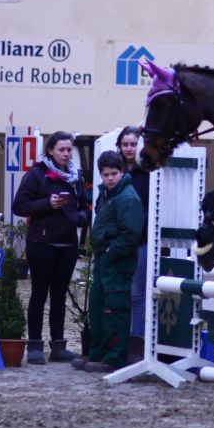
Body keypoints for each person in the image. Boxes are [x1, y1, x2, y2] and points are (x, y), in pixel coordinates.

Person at [12, 131, 89, 364]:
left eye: (68, 150)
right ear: (50, 151)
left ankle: (58, 346)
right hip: (42, 243)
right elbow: (19, 206)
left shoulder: (76, 176)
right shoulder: (37, 174)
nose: (66, 154)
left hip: (68, 243)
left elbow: (84, 206)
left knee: (59, 296)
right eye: (61, 149)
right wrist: (48, 203)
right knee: (39, 294)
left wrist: (79, 218)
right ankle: (35, 346)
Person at [75, 150, 144, 372]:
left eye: (114, 173)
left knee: (115, 310)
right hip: (104, 259)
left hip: (118, 261)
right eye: (106, 175)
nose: (110, 178)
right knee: (97, 307)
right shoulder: (107, 194)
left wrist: (111, 252)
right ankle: (97, 353)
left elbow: (131, 235)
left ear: (122, 172)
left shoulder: (128, 198)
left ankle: (114, 358)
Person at [115, 126, 149, 363]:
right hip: (118, 240)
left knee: (137, 295)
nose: (129, 149)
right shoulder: (114, 170)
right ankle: (118, 343)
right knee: (120, 294)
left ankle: (137, 346)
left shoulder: (148, 172)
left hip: (141, 239)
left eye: (133, 144)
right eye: (125, 144)